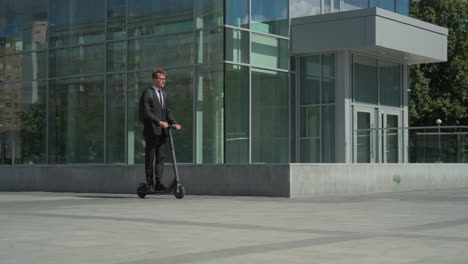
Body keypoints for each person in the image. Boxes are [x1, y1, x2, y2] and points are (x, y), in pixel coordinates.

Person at [141, 68, 182, 192]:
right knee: (150, 158)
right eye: (161, 79)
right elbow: (146, 112)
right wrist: (159, 122)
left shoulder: (164, 94)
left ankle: (159, 183)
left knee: (160, 159)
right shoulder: (148, 93)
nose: (163, 81)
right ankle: (150, 184)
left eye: (164, 79)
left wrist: (174, 123)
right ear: (154, 80)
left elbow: (167, 112)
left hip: (163, 132)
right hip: (151, 131)